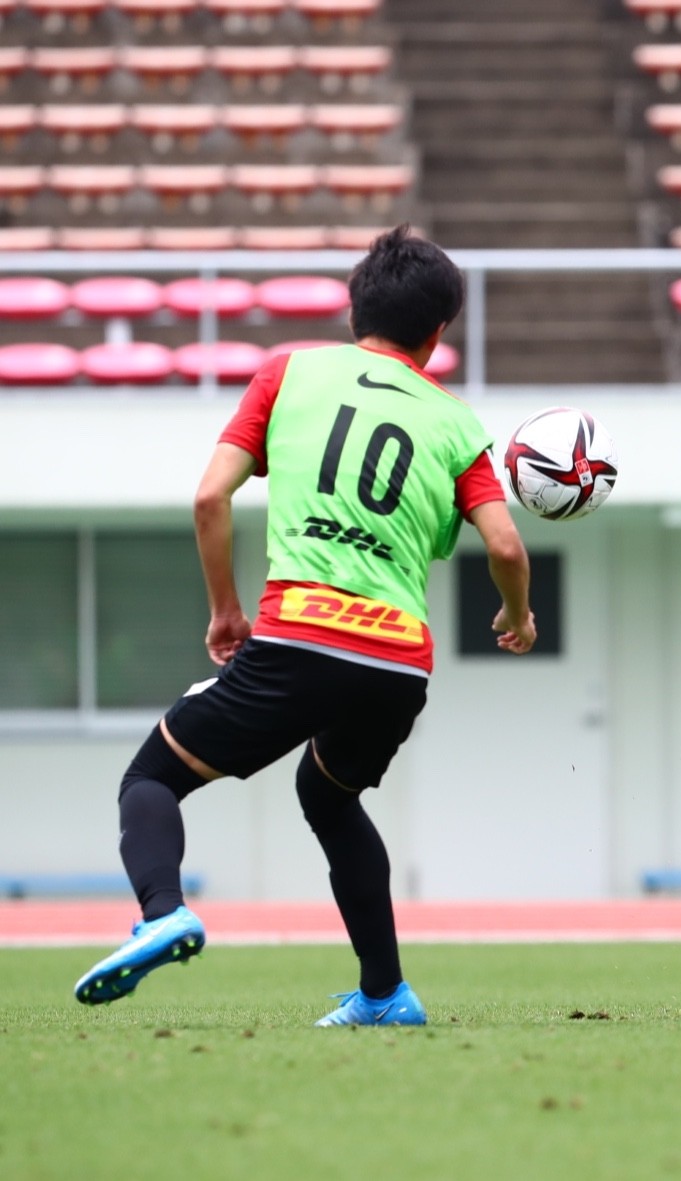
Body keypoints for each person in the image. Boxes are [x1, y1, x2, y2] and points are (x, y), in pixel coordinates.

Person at [73, 226, 536, 1026]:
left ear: (355, 307)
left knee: (151, 779)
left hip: (300, 637)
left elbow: (209, 498)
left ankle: (162, 912)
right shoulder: (457, 423)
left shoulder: (289, 371)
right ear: (438, 334)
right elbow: (504, 543)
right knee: (329, 793)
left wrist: (225, 609)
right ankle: (387, 993)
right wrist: (518, 614)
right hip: (399, 661)